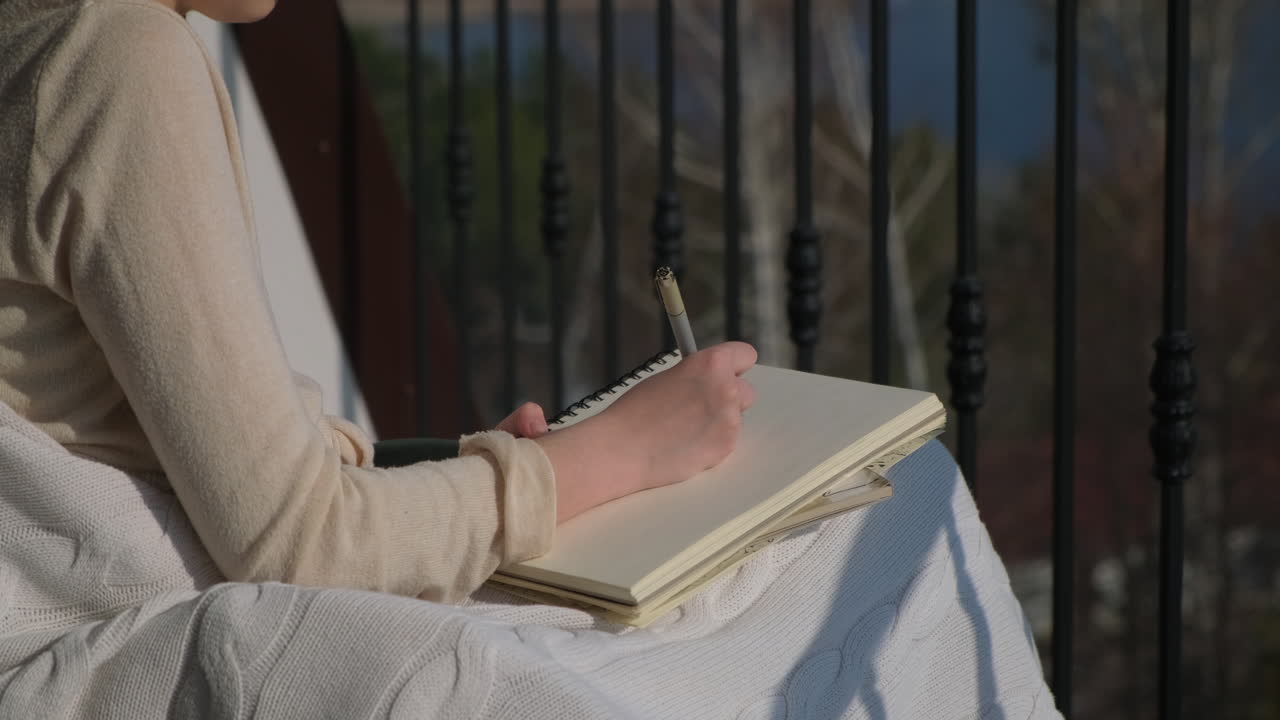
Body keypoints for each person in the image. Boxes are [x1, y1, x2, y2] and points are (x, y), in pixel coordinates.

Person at [0, 0, 755, 605]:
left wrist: (456, 470)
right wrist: (619, 453)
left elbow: (140, 441)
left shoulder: (38, 37)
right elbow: (301, 547)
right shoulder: (117, 59)